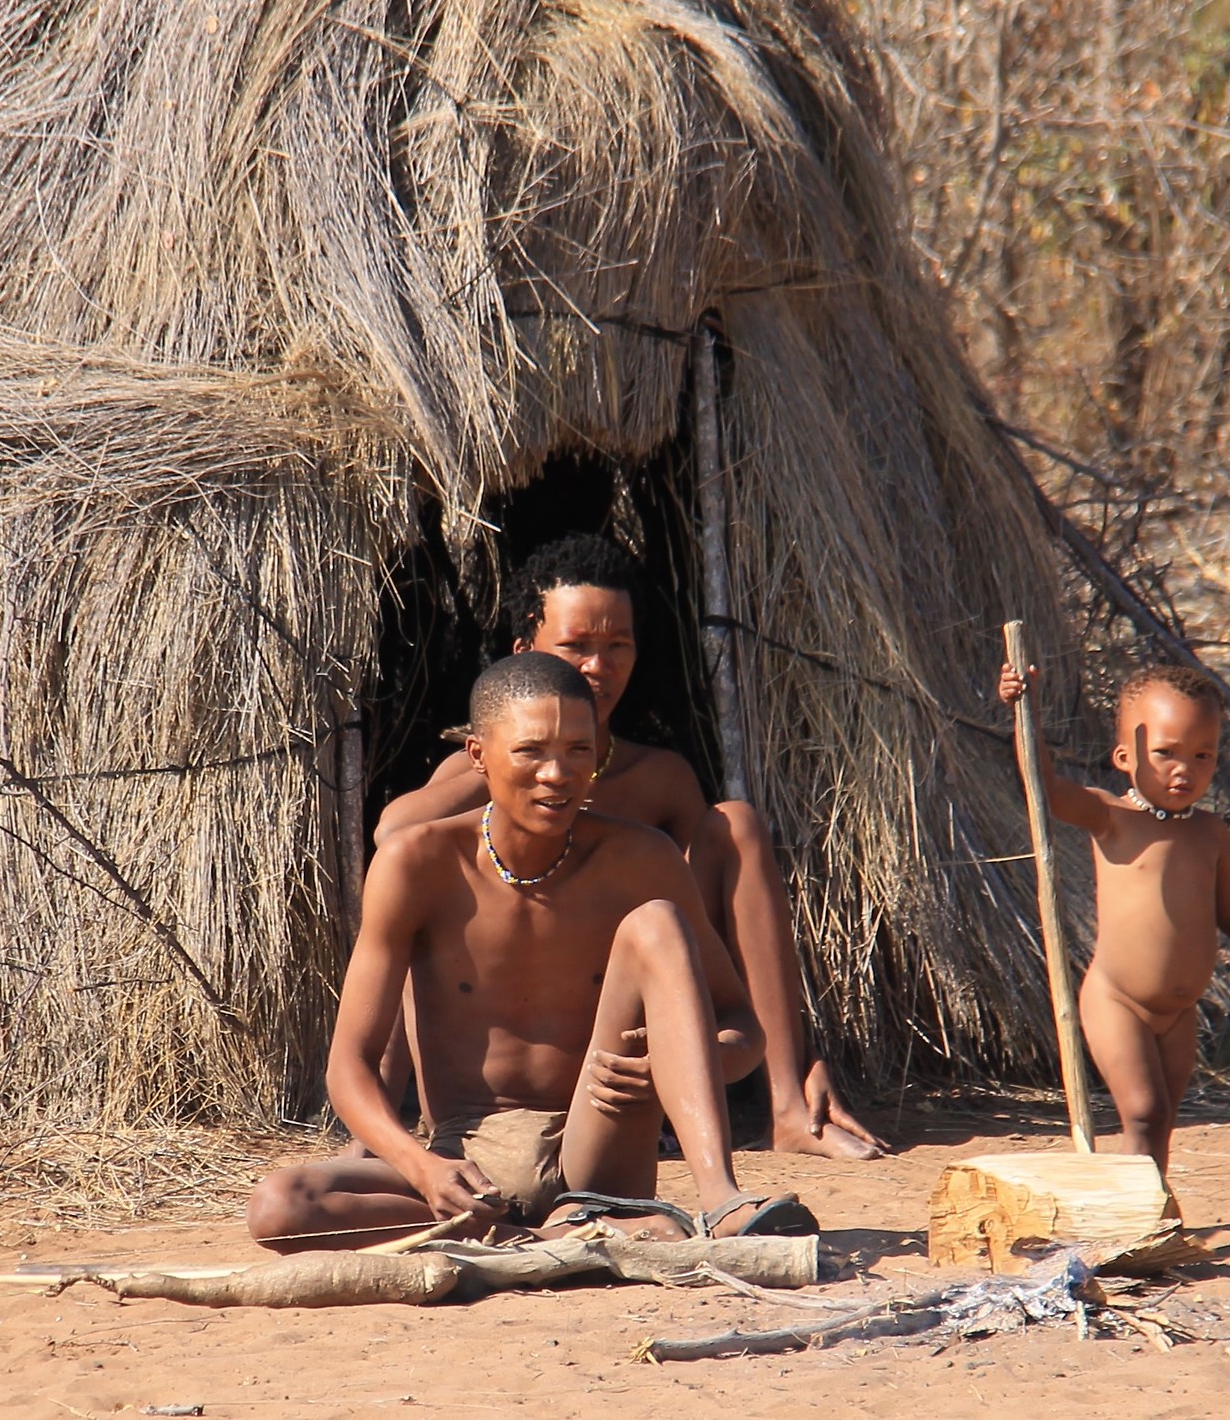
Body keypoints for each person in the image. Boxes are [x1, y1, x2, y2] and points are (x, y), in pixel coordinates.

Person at [246, 652, 815, 1250]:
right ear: (478, 757)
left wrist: (667, 1071)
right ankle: (535, 1238)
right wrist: (423, 1168)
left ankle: (719, 1202)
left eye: (579, 750)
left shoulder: (641, 860)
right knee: (279, 1206)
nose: (558, 773)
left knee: (657, 922)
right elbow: (350, 1067)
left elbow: (743, 1031)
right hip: (468, 1161)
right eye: (531, 751)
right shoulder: (417, 864)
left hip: (598, 1142)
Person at [375, 535, 887, 1161]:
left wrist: (803, 1056)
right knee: (413, 888)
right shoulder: (484, 769)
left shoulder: (657, 779)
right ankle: (377, 1125)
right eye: (576, 647)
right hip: (521, 1000)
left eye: (618, 646)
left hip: (624, 1006)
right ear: (524, 652)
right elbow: (393, 838)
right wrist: (499, 779)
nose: (598, 666)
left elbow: (704, 917)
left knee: (739, 825)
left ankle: (785, 1105)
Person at [996, 660, 1230, 1172]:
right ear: (1125, 756)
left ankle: (1153, 1217)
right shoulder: (1112, 817)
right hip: (1117, 1000)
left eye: (1202, 755)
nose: (1184, 769)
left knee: (1162, 1121)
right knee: (1142, 1112)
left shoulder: (1209, 833)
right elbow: (1046, 790)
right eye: (1165, 753)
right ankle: (1130, 1225)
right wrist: (1023, 713)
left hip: (1178, 1013)